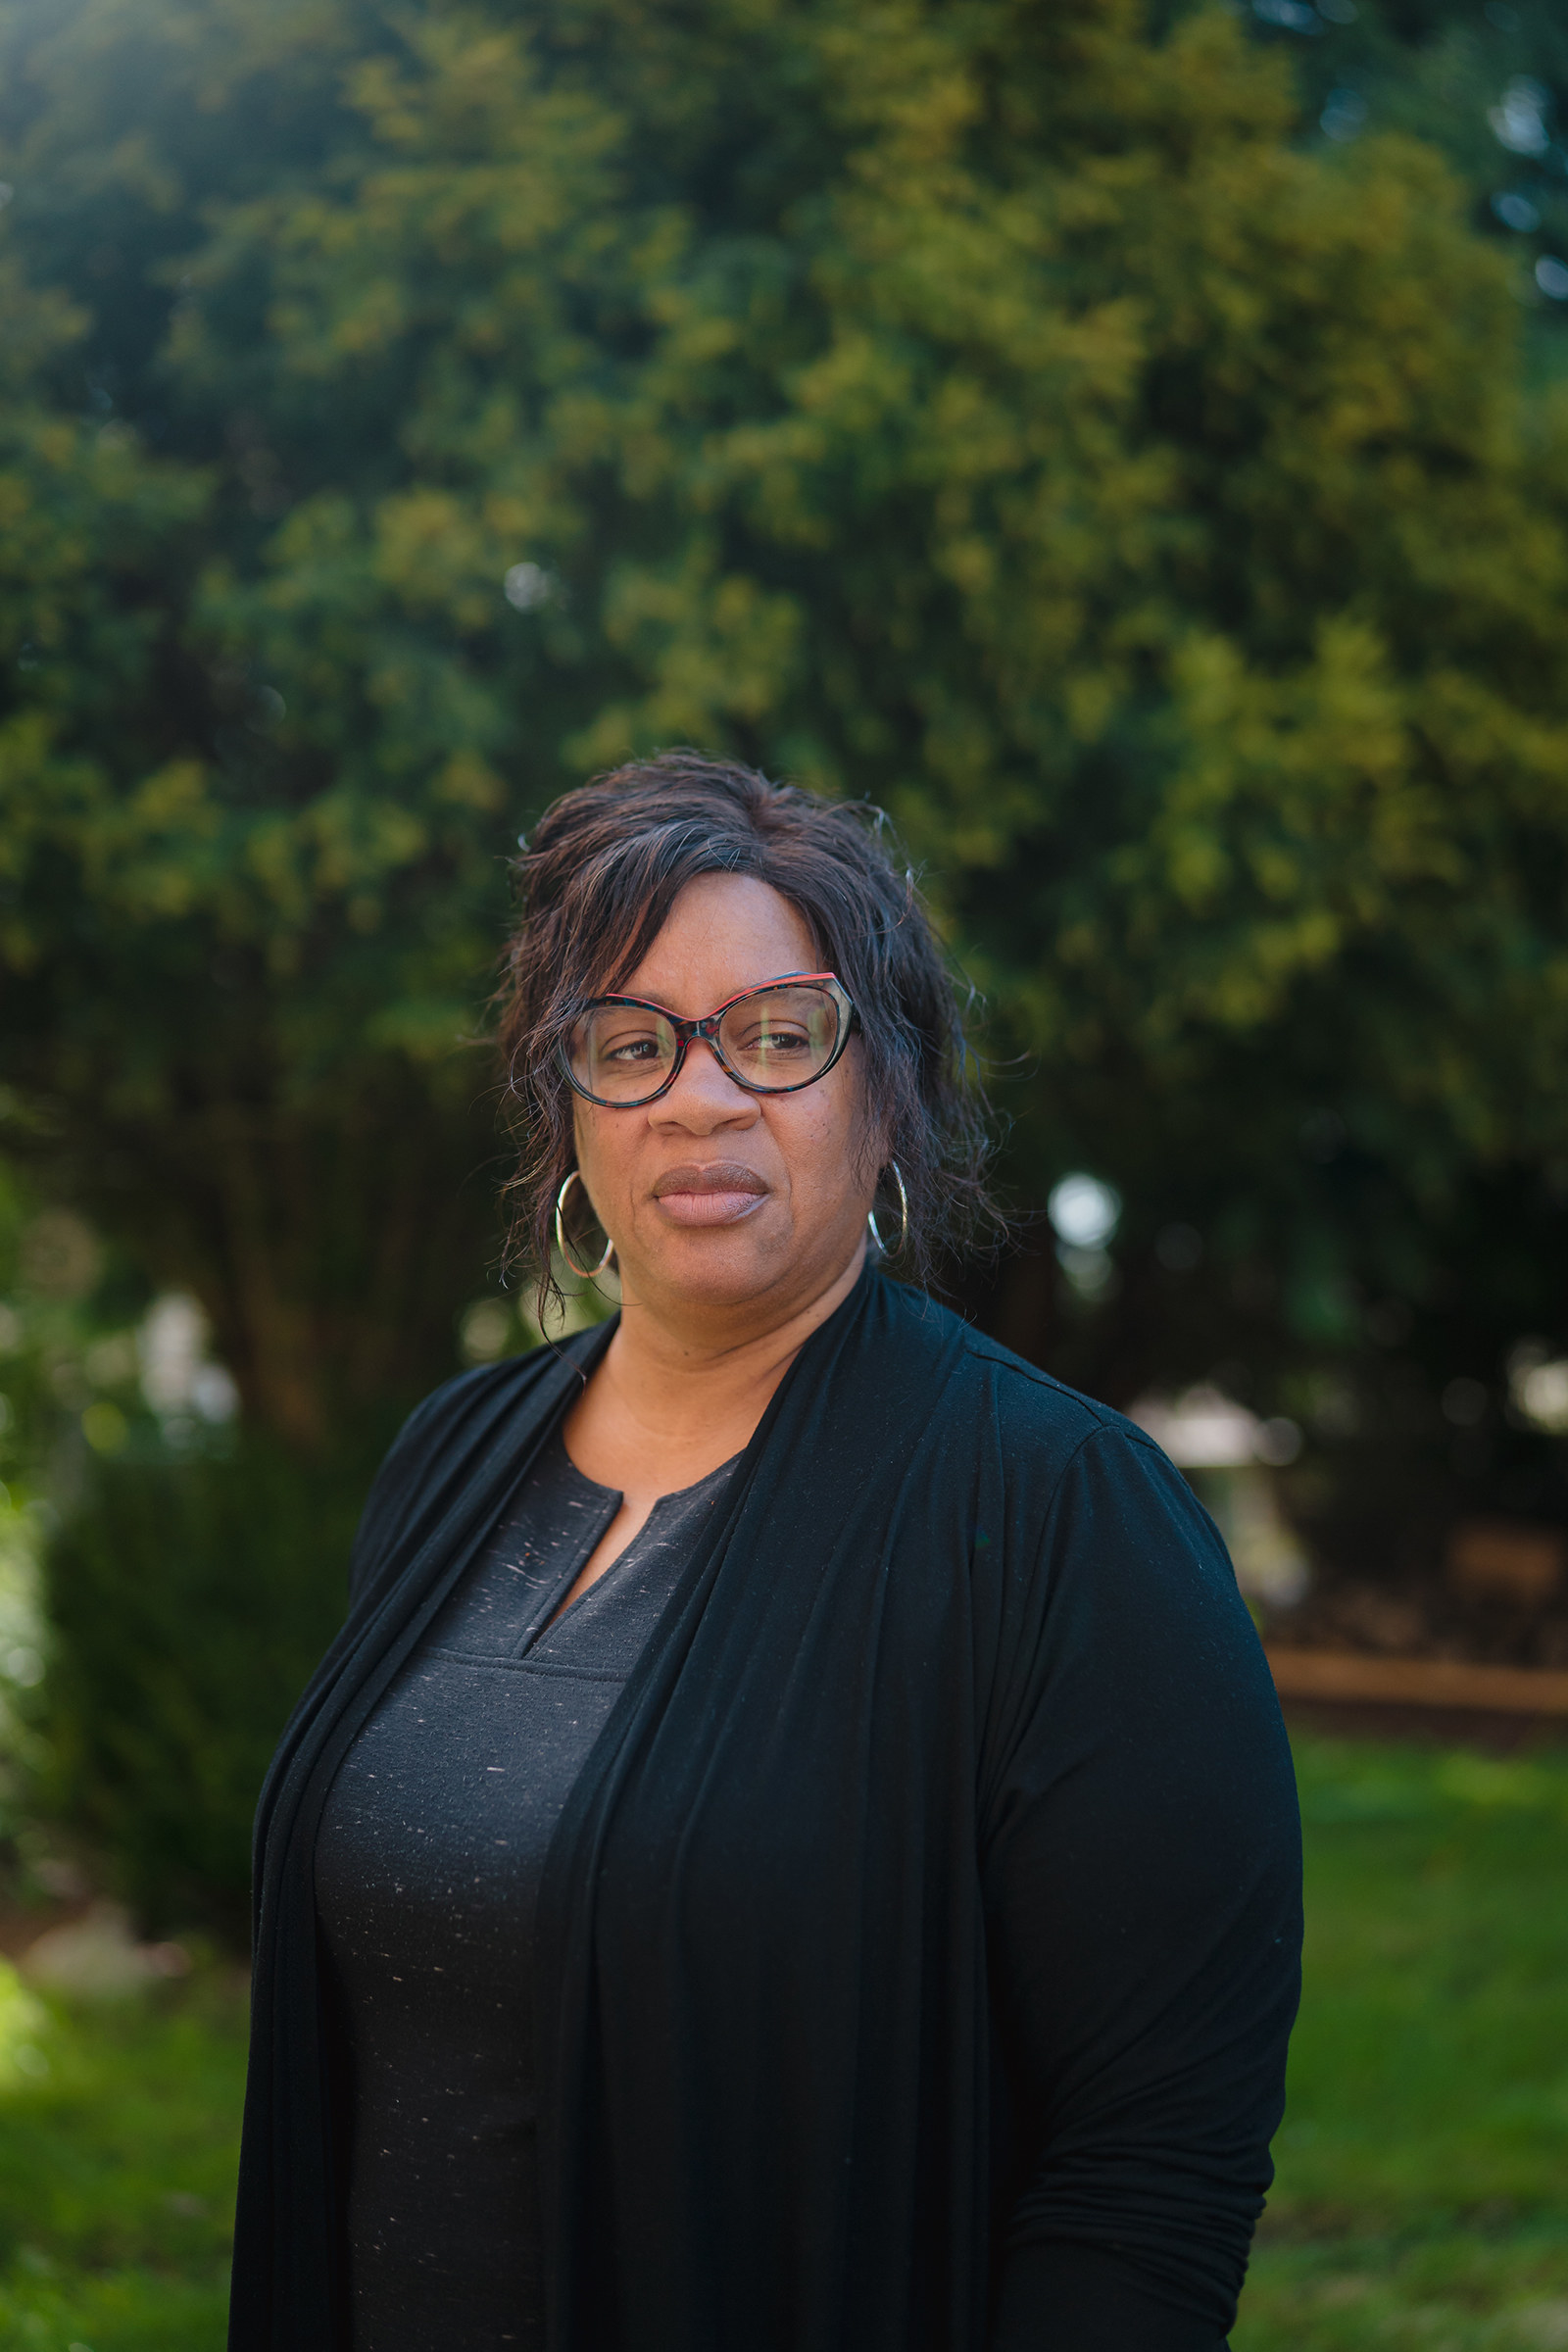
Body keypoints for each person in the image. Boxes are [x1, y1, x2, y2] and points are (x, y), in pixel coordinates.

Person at [229, 753, 1301, 2352]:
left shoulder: (1061, 1514)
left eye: (779, 1035)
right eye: (630, 1042)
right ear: (566, 1101)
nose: (700, 1095)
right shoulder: (451, 1461)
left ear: (894, 1088)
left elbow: (1150, 2176)